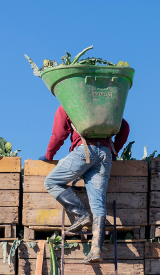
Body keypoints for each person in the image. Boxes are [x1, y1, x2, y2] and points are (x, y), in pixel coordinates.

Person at [40, 105, 130, 263]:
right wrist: (114, 151)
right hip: (105, 155)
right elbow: (125, 127)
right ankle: (96, 249)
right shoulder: (104, 107)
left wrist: (49, 155)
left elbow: (59, 134)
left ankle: (81, 215)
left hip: (84, 150)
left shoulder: (68, 103)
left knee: (52, 182)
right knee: (98, 203)